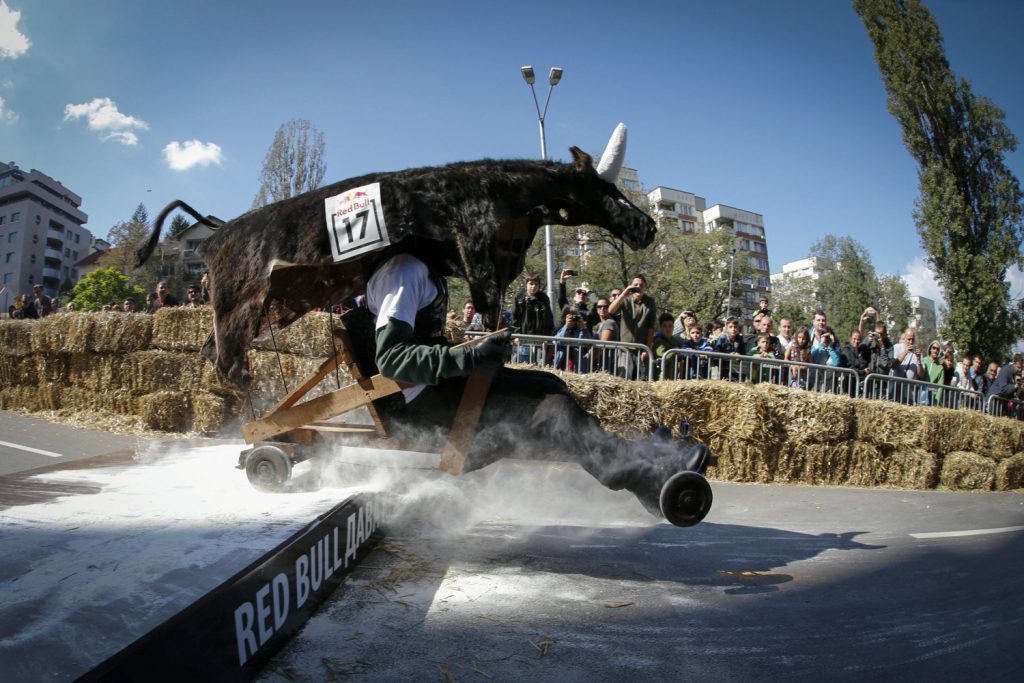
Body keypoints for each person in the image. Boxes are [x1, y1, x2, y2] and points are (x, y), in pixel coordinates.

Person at [355, 252, 711, 524]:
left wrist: (478, 354)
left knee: (549, 383)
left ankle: (643, 455)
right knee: (554, 412)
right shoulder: (403, 272)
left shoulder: (412, 268)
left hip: (439, 391)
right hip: (431, 410)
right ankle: (646, 482)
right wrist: (468, 359)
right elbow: (392, 357)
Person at [607, 274, 657, 379]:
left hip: (640, 348)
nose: (638, 287)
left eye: (641, 285)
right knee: (624, 378)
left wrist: (646, 349)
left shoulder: (650, 302)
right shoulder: (625, 300)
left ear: (645, 287)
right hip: (625, 348)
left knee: (640, 379)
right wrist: (623, 294)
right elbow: (611, 310)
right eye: (635, 285)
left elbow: (651, 328)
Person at [891, 329, 925, 404]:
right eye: (908, 339)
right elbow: (894, 366)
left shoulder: (917, 352)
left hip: (910, 395)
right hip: (895, 390)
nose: (911, 342)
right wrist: (905, 352)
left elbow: (921, 374)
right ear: (904, 338)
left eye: (912, 339)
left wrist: (918, 360)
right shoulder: (896, 347)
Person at [652, 312, 684, 380]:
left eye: (670, 326)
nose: (668, 329)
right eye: (665, 326)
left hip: (672, 378)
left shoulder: (675, 341)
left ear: (673, 327)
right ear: (660, 327)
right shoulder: (658, 341)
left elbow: (680, 359)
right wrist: (673, 352)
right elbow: (661, 358)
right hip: (659, 378)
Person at [593, 296, 619, 374]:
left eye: (605, 306)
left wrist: (588, 359)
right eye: (599, 306)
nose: (602, 308)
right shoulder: (599, 324)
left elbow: (602, 347)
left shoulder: (609, 323)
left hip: (607, 366)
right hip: (600, 364)